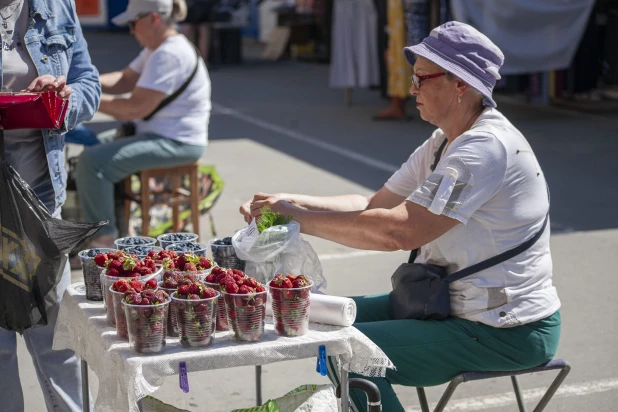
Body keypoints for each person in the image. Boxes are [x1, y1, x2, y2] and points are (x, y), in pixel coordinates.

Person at [240, 21, 561, 412]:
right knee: (318, 319)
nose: (412, 89)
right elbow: (375, 204)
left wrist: (294, 218)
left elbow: (401, 232)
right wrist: (289, 202)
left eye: (422, 78)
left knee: (348, 348)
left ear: (461, 84)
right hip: (451, 305)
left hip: (505, 330)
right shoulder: (444, 139)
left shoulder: (484, 148)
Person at [0, 0, 100, 410]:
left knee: (59, 339)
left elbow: (87, 83)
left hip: (39, 207)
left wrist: (61, 100)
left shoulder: (56, 6)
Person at [75, 0, 211, 249]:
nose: (131, 30)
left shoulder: (169, 53)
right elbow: (124, 80)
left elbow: (135, 108)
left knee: (94, 162)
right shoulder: (157, 48)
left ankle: (103, 239)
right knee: (95, 148)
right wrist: (83, 81)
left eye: (132, 22)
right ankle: (114, 226)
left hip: (178, 142)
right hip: (158, 135)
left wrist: (82, 98)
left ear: (154, 19)